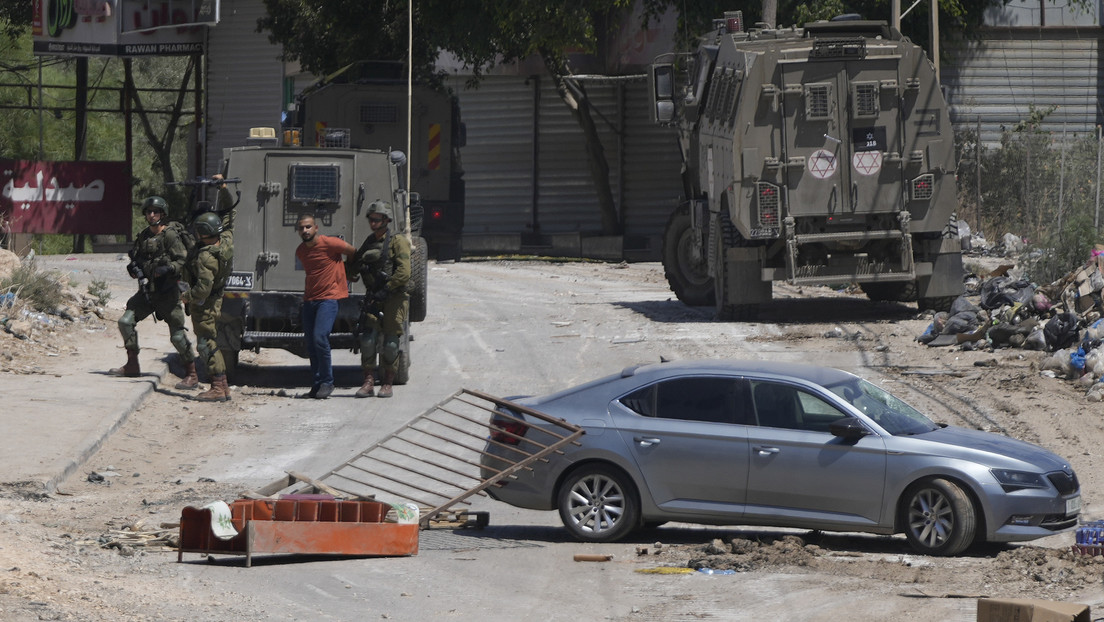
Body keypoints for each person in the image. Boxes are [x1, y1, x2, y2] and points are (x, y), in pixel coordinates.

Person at [111, 195, 198, 386]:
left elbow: (182, 260)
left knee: (177, 336)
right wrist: (133, 269)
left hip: (168, 293)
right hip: (147, 293)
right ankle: (132, 364)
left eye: (155, 212)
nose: (152, 215)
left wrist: (168, 269)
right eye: (149, 212)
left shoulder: (170, 235)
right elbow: (138, 260)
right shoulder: (143, 236)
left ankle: (191, 374)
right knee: (125, 321)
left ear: (162, 214)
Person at [181, 176, 236, 402]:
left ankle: (216, 386)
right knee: (211, 341)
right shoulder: (226, 240)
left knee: (206, 343)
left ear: (202, 232)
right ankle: (223, 387)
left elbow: (202, 290)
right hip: (217, 298)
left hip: (205, 304)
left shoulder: (205, 258)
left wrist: (186, 297)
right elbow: (229, 214)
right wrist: (223, 188)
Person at [349, 201, 410, 398]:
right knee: (367, 339)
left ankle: (387, 382)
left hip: (394, 297)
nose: (373, 222)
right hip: (374, 297)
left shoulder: (397, 241)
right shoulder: (369, 241)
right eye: (371, 219)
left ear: (386, 220)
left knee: (391, 342)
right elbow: (355, 264)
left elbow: (404, 271)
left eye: (377, 219)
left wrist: (388, 288)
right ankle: (368, 381)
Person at [295, 213, 357, 399]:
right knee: (311, 345)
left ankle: (327, 382)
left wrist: (348, 271)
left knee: (320, 337)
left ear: (316, 228)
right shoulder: (301, 251)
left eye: (308, 227)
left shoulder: (331, 243)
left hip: (328, 299)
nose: (305, 230)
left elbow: (353, 252)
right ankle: (316, 385)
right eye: (301, 228)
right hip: (309, 300)